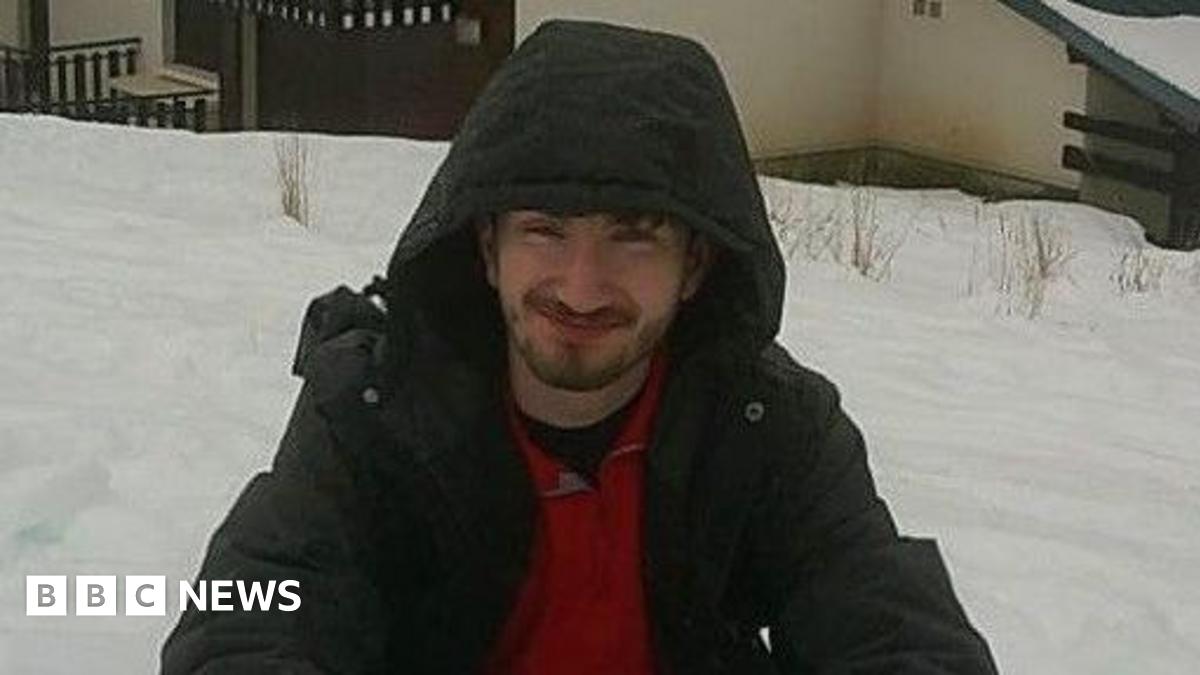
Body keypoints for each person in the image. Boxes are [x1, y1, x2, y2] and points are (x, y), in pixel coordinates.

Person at [161, 19, 997, 674]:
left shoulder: (765, 424)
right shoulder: (377, 411)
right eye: (544, 230)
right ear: (486, 246)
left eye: (634, 237)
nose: (583, 285)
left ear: (696, 262)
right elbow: (252, 618)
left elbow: (886, 620)